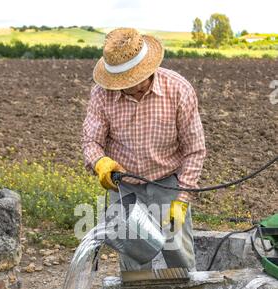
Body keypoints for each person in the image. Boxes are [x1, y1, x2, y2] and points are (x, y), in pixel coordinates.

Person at [82, 28, 206, 271]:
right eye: (127, 83)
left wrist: (181, 200)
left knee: (178, 254)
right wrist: (100, 163)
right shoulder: (101, 94)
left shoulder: (178, 89)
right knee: (133, 263)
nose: (135, 86)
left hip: (168, 184)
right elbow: (91, 142)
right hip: (124, 188)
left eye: (138, 78)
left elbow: (195, 150)